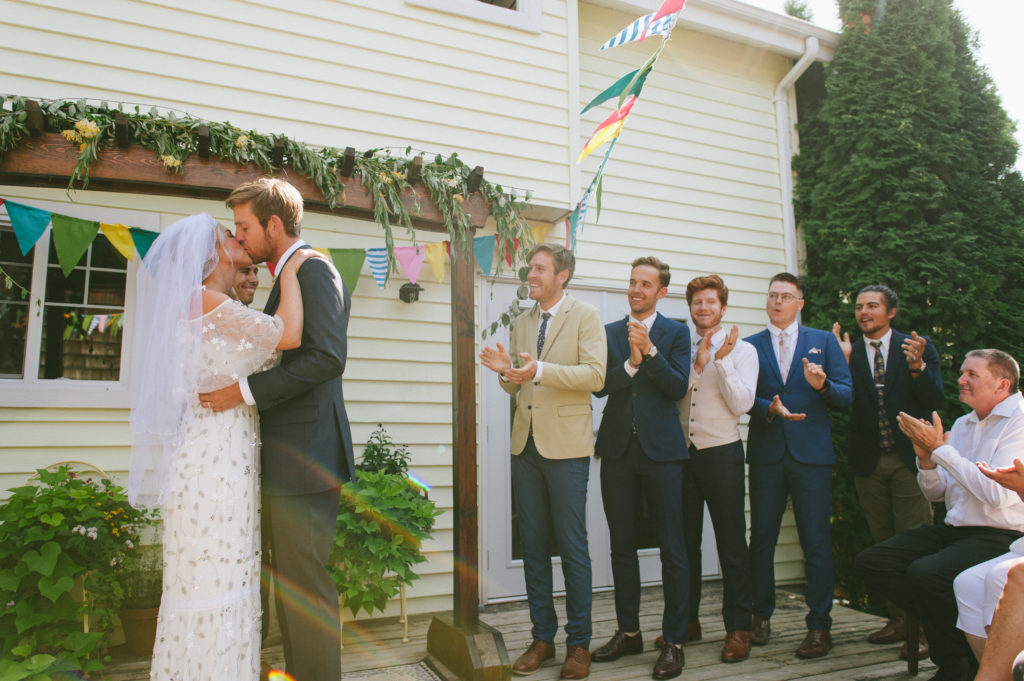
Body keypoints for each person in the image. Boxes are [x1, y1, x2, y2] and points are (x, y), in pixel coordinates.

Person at [128, 213, 316, 680]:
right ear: (211, 254)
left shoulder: (211, 302)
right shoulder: (205, 301)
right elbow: (287, 335)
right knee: (210, 580)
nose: (238, 239)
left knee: (225, 577)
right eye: (228, 236)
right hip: (213, 462)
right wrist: (290, 269)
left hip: (227, 452)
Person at [199, 178, 355, 681]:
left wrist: (242, 393)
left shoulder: (313, 271)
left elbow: (328, 358)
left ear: (273, 223)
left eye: (244, 226)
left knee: (304, 588)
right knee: (288, 586)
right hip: (286, 455)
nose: (239, 237)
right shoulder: (286, 275)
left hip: (307, 457)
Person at [856, 349, 1024, 681]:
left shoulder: (1019, 422)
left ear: (1003, 384)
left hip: (1001, 535)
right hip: (955, 530)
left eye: (972, 375)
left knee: (926, 575)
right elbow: (936, 492)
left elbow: (997, 495)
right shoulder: (964, 423)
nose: (960, 380)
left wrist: (940, 450)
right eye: (962, 372)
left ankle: (954, 664)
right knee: (873, 562)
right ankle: (962, 651)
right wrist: (927, 461)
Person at [479, 243, 606, 681]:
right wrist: (505, 372)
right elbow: (519, 386)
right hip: (525, 448)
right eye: (529, 268)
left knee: (573, 548)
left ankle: (578, 644)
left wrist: (537, 371)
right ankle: (543, 638)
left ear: (562, 275)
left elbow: (595, 375)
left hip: (567, 447)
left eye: (539, 269)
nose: (530, 275)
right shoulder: (522, 321)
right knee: (532, 546)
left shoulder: (585, 317)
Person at [590, 257, 690, 680]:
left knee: (673, 547)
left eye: (645, 284)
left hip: (663, 453)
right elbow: (599, 386)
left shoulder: (676, 332)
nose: (636, 289)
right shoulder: (609, 332)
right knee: (622, 545)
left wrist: (648, 352)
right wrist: (629, 364)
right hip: (617, 450)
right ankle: (628, 631)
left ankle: (674, 641)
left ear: (661, 292)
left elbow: (676, 387)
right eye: (632, 282)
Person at [744, 272, 853, 658]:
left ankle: (819, 625)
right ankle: (760, 615)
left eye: (785, 296)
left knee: (817, 543)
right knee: (761, 541)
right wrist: (767, 408)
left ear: (800, 303)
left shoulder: (823, 342)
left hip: (812, 458)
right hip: (767, 456)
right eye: (772, 295)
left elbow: (846, 396)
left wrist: (822, 385)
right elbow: (741, 396)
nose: (777, 301)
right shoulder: (749, 346)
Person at [833, 285, 943, 651]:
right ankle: (899, 620)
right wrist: (841, 365)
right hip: (868, 462)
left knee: (914, 543)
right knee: (884, 545)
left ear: (891, 312)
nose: (864, 312)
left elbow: (934, 399)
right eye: (860, 306)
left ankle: (925, 627)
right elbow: (843, 401)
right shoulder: (847, 351)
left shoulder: (917, 346)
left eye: (873, 306)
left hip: (910, 460)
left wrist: (917, 369)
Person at [678, 274, 757, 663]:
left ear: (722, 308)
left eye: (711, 302)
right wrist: (697, 363)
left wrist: (721, 363)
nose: (704, 308)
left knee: (731, 544)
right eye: (697, 302)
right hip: (681, 457)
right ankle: (687, 622)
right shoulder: (682, 345)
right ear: (690, 308)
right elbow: (674, 392)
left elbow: (742, 404)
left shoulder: (744, 351)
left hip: (722, 454)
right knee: (684, 544)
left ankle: (738, 627)